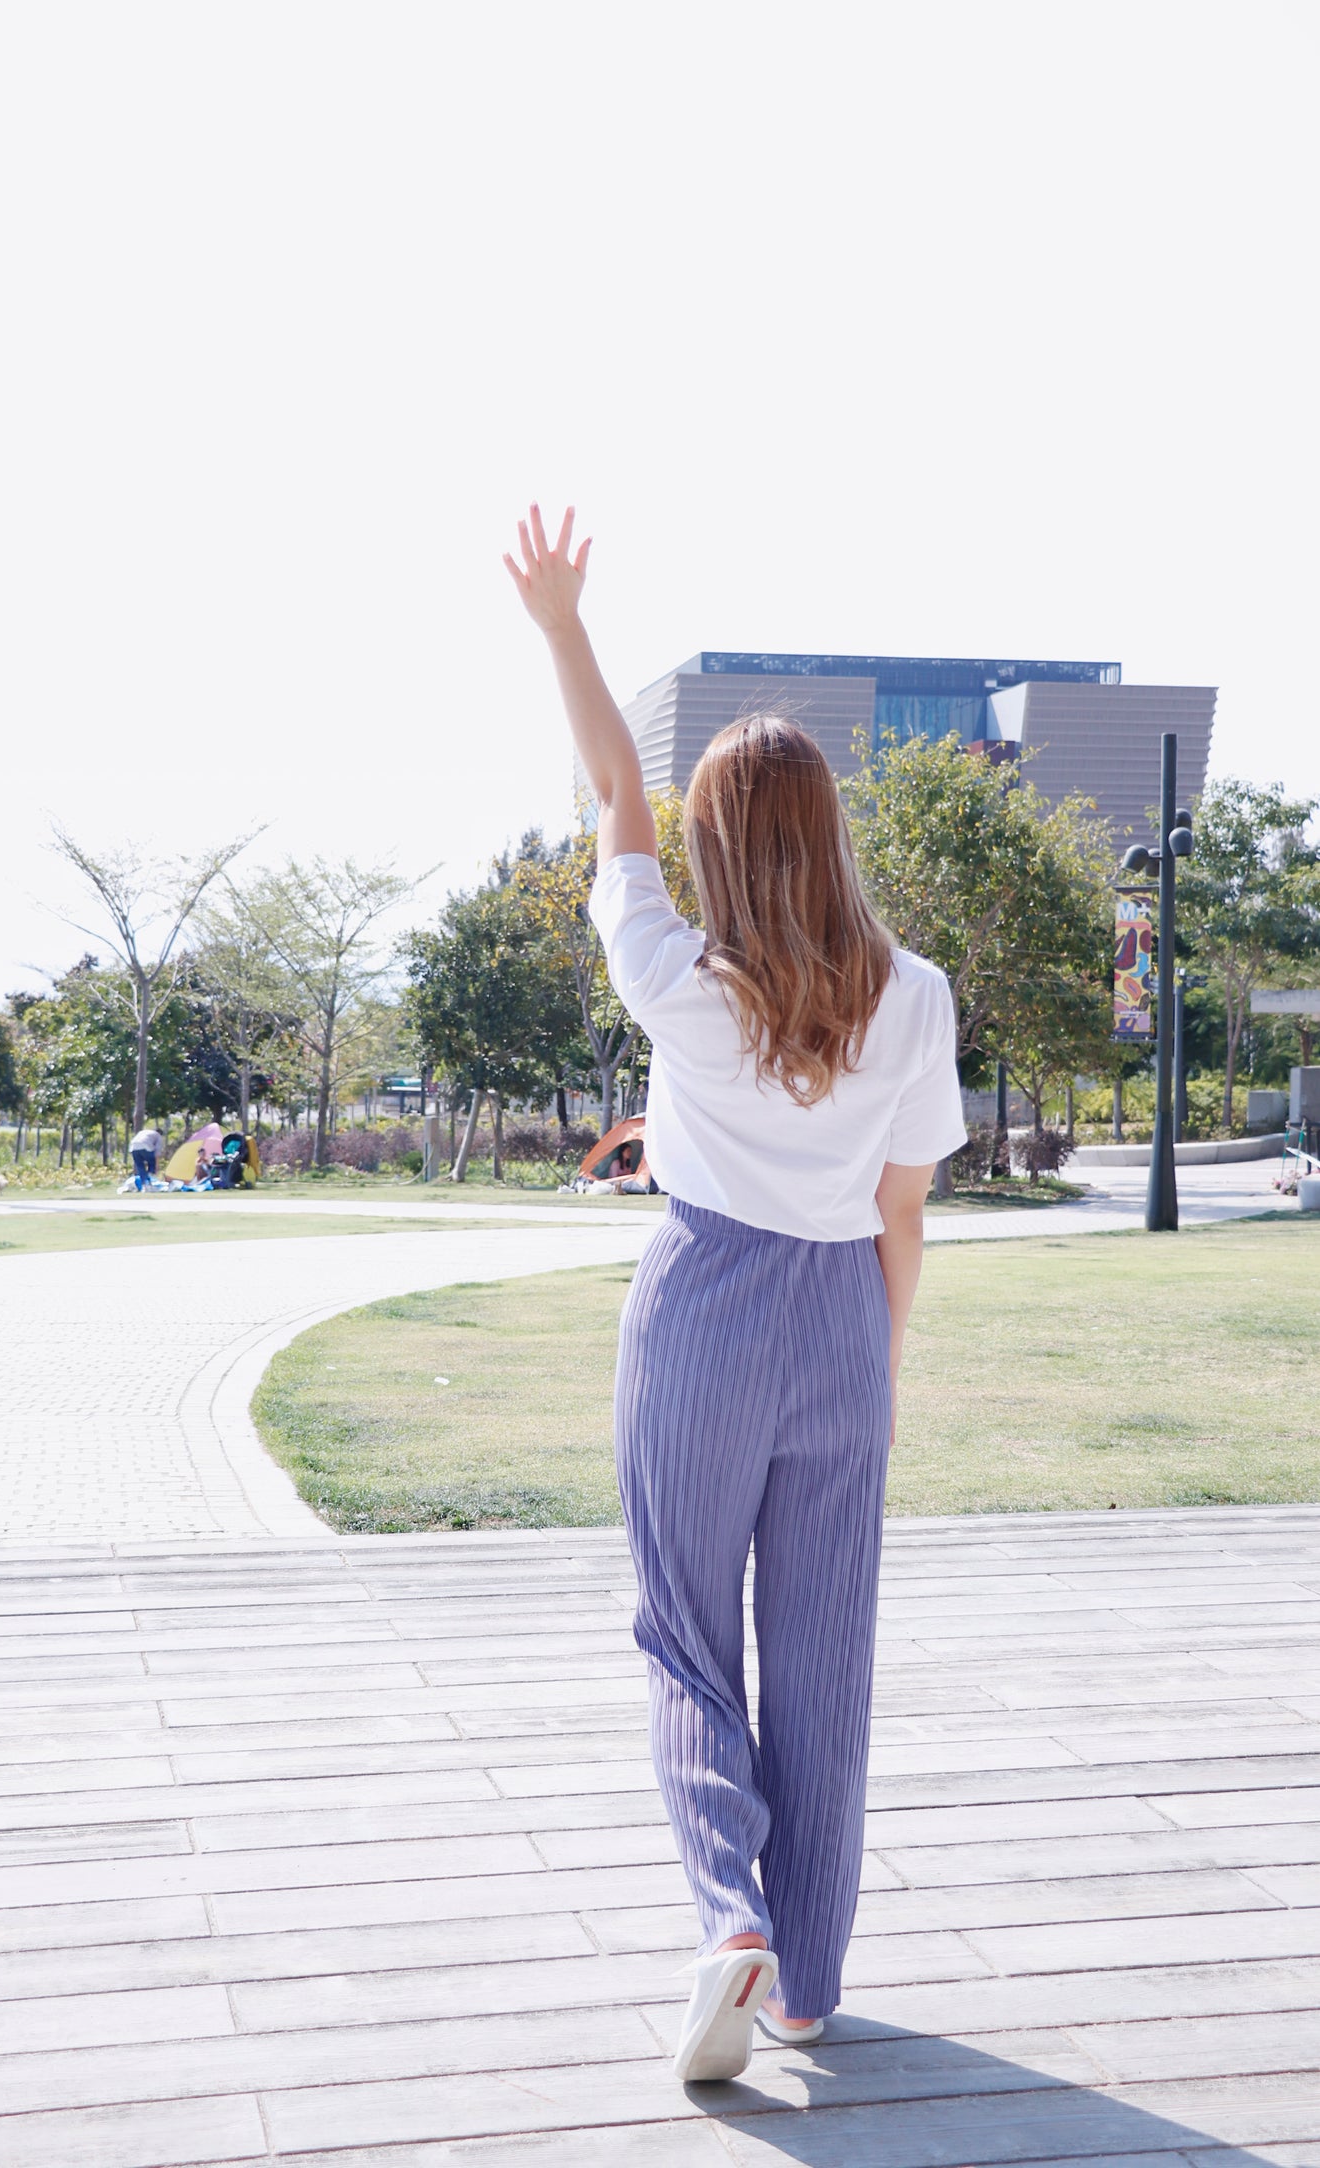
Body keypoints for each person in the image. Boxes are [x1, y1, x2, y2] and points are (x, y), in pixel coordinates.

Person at [505, 506, 966, 2084]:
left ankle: (730, 1918)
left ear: (714, 850)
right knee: (823, 1649)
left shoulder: (674, 976)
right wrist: (877, 1362)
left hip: (703, 1305)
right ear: (832, 833)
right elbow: (905, 1214)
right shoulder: (916, 997)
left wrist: (563, 625)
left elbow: (614, 794)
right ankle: (810, 1984)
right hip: (843, 1316)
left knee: (687, 1636)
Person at [130, 1123, 163, 1191]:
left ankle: (144, 1185)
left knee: (140, 1166)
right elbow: (157, 1153)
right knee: (152, 1162)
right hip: (145, 1146)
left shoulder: (143, 1132)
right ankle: (151, 1180)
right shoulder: (158, 1135)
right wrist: (156, 1166)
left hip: (133, 1147)